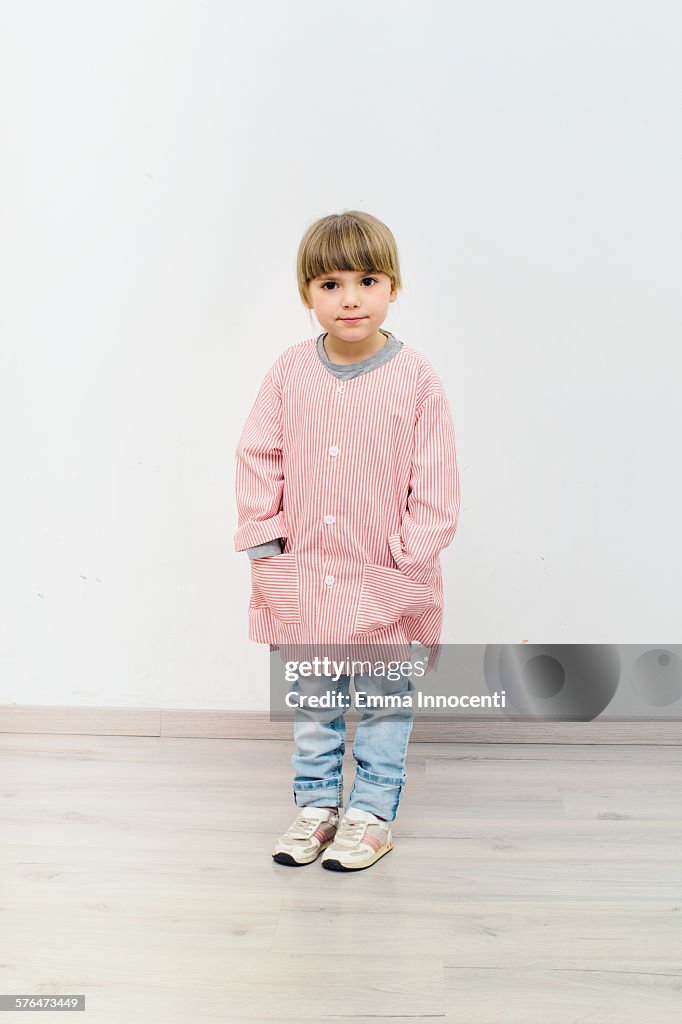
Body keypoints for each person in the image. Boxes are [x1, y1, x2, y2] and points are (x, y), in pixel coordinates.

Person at [234, 210, 460, 870]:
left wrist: (405, 559)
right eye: (330, 283)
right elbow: (257, 455)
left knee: (386, 700)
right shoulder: (289, 372)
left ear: (393, 286)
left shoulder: (415, 377)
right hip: (303, 574)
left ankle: (372, 813)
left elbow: (437, 479)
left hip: (387, 576)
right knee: (314, 697)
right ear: (308, 293)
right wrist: (265, 546)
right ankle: (317, 807)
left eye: (367, 279)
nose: (350, 297)